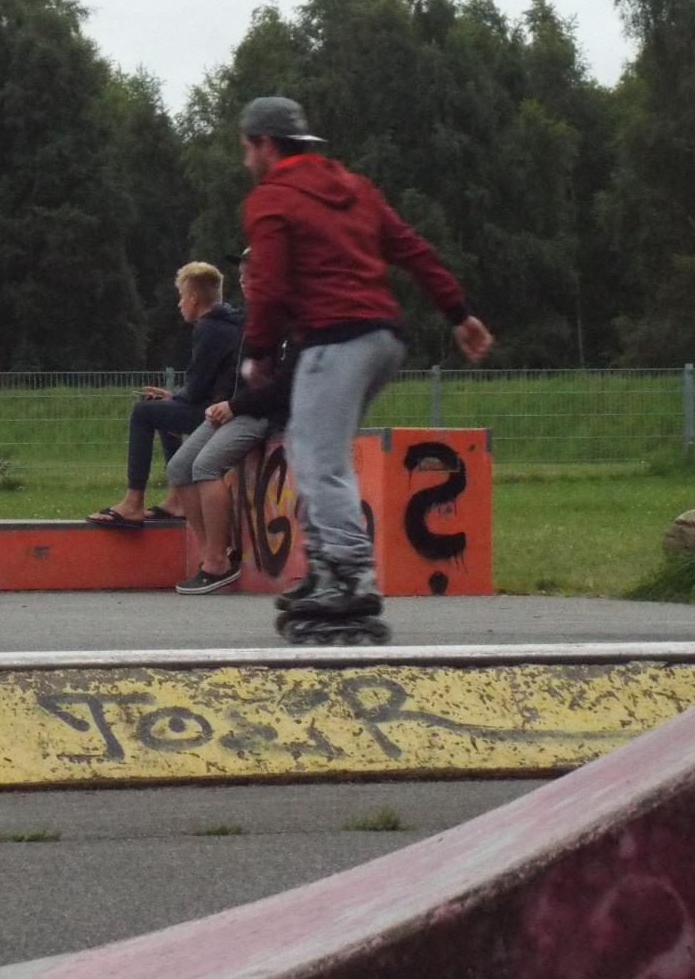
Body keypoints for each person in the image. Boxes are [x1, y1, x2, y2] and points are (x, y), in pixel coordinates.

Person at [237, 96, 493, 637]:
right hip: (383, 337)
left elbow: (269, 285)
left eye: (246, 149)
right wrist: (459, 314)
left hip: (335, 338)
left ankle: (350, 575)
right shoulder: (355, 188)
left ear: (264, 144)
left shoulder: (271, 199)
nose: (245, 162)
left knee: (318, 457)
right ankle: (325, 565)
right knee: (308, 445)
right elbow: (414, 250)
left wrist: (258, 352)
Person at [166, 250, 295, 594]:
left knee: (206, 466)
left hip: (259, 413)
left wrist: (234, 406)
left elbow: (279, 386)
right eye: (241, 275)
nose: (243, 281)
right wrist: (218, 403)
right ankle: (214, 553)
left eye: (252, 275)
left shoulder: (287, 321)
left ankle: (216, 563)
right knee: (179, 468)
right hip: (233, 408)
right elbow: (233, 372)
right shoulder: (250, 319)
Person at [86, 261, 242, 529]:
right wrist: (174, 398)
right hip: (219, 404)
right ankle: (175, 499)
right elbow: (203, 384)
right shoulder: (229, 323)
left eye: (181, 297)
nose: (179, 304)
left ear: (193, 298)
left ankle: (133, 502)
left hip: (218, 412)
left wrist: (176, 398)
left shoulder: (208, 328)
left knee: (143, 413)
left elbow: (197, 387)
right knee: (162, 410)